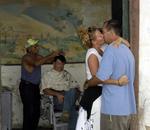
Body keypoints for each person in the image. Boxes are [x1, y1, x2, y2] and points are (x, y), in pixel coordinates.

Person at [76, 26, 129, 130]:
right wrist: (117, 82)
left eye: (102, 34)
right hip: (95, 93)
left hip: (101, 91)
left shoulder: (102, 50)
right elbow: (98, 78)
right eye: (100, 35)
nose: (102, 36)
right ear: (93, 40)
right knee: (96, 124)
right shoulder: (92, 54)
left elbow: (128, 45)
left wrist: (120, 39)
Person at [87, 19, 136, 130]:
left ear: (110, 32)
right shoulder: (127, 50)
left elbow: (100, 78)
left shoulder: (111, 50)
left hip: (113, 109)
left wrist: (89, 83)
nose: (103, 35)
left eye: (103, 32)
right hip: (127, 107)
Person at [19, 38, 60, 130]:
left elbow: (49, 61)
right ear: (29, 49)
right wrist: (49, 55)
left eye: (37, 46)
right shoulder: (26, 57)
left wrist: (56, 56)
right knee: (29, 111)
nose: (37, 47)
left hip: (34, 87)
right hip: (26, 87)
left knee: (36, 112)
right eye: (35, 46)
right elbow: (32, 67)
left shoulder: (39, 57)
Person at [41, 55, 80, 130]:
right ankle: (67, 111)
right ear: (54, 63)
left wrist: (75, 95)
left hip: (68, 98)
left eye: (62, 64)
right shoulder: (47, 75)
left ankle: (65, 112)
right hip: (57, 100)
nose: (60, 66)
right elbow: (45, 90)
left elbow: (76, 87)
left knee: (72, 90)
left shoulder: (67, 74)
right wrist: (57, 94)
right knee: (73, 110)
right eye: (58, 63)